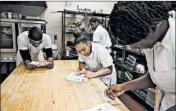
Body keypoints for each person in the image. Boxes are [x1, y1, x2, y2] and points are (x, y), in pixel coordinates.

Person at [105, 2, 175, 111]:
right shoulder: (151, 37)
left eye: (138, 44)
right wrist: (123, 86)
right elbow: (156, 77)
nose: (133, 49)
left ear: (156, 27)